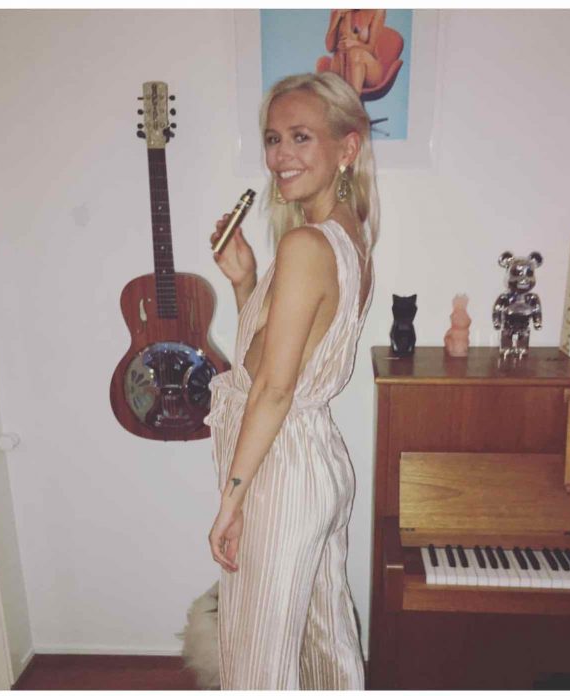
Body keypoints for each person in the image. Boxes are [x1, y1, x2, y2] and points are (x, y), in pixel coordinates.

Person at [204, 71, 379, 690]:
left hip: (281, 469)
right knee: (319, 642)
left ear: (347, 148)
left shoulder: (308, 243)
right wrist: (244, 281)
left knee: (259, 660)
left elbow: (275, 389)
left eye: (301, 137)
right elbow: (277, 360)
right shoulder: (347, 237)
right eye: (273, 139)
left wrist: (231, 502)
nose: (281, 156)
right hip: (308, 460)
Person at [325, 9, 386, 95]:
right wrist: (337, 16)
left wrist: (354, 44)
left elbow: (372, 48)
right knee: (340, 55)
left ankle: (353, 99)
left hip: (368, 68)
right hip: (343, 63)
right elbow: (329, 48)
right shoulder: (339, 10)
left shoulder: (377, 11)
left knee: (354, 53)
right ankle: (347, 99)